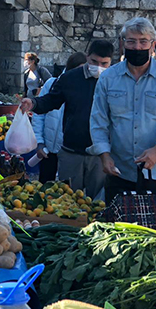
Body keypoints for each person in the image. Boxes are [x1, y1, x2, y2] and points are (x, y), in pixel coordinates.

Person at [90, 17, 156, 205]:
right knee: (117, 229)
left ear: (153, 45)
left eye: (143, 42)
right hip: (119, 170)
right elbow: (98, 120)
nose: (137, 47)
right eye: (131, 41)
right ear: (122, 44)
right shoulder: (108, 78)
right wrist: (104, 154)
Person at [20, 40, 114, 197]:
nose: (99, 67)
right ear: (87, 57)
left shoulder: (115, 80)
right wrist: (34, 103)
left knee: (99, 204)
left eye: (104, 63)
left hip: (101, 155)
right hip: (71, 152)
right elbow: (51, 100)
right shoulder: (70, 78)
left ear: (111, 62)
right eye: (94, 62)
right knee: (67, 201)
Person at [31, 52, 88, 182]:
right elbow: (39, 116)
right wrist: (39, 142)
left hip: (70, 151)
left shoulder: (87, 89)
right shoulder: (52, 84)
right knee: (45, 188)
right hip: (49, 150)